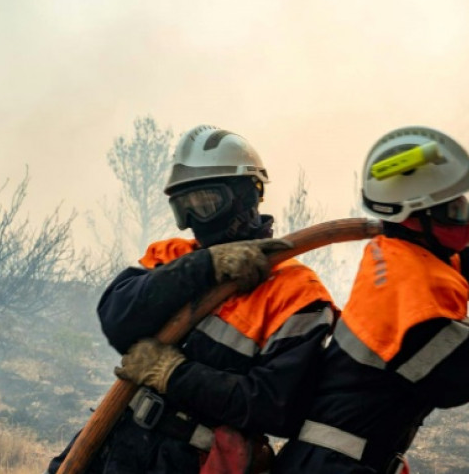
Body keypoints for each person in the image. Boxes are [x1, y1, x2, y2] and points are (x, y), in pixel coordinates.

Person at [272, 126, 469, 474]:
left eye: (464, 203)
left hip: (332, 460)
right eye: (454, 210)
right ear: (417, 217)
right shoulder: (412, 305)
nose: (467, 218)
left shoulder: (398, 252)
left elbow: (460, 269)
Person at [46, 125, 337, 474]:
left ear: (248, 195)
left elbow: (276, 408)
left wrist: (175, 375)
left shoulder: (298, 294)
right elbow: (116, 318)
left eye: (207, 203)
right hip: (114, 442)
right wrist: (204, 266)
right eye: (184, 207)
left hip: (189, 460)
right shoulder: (174, 257)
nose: (194, 220)